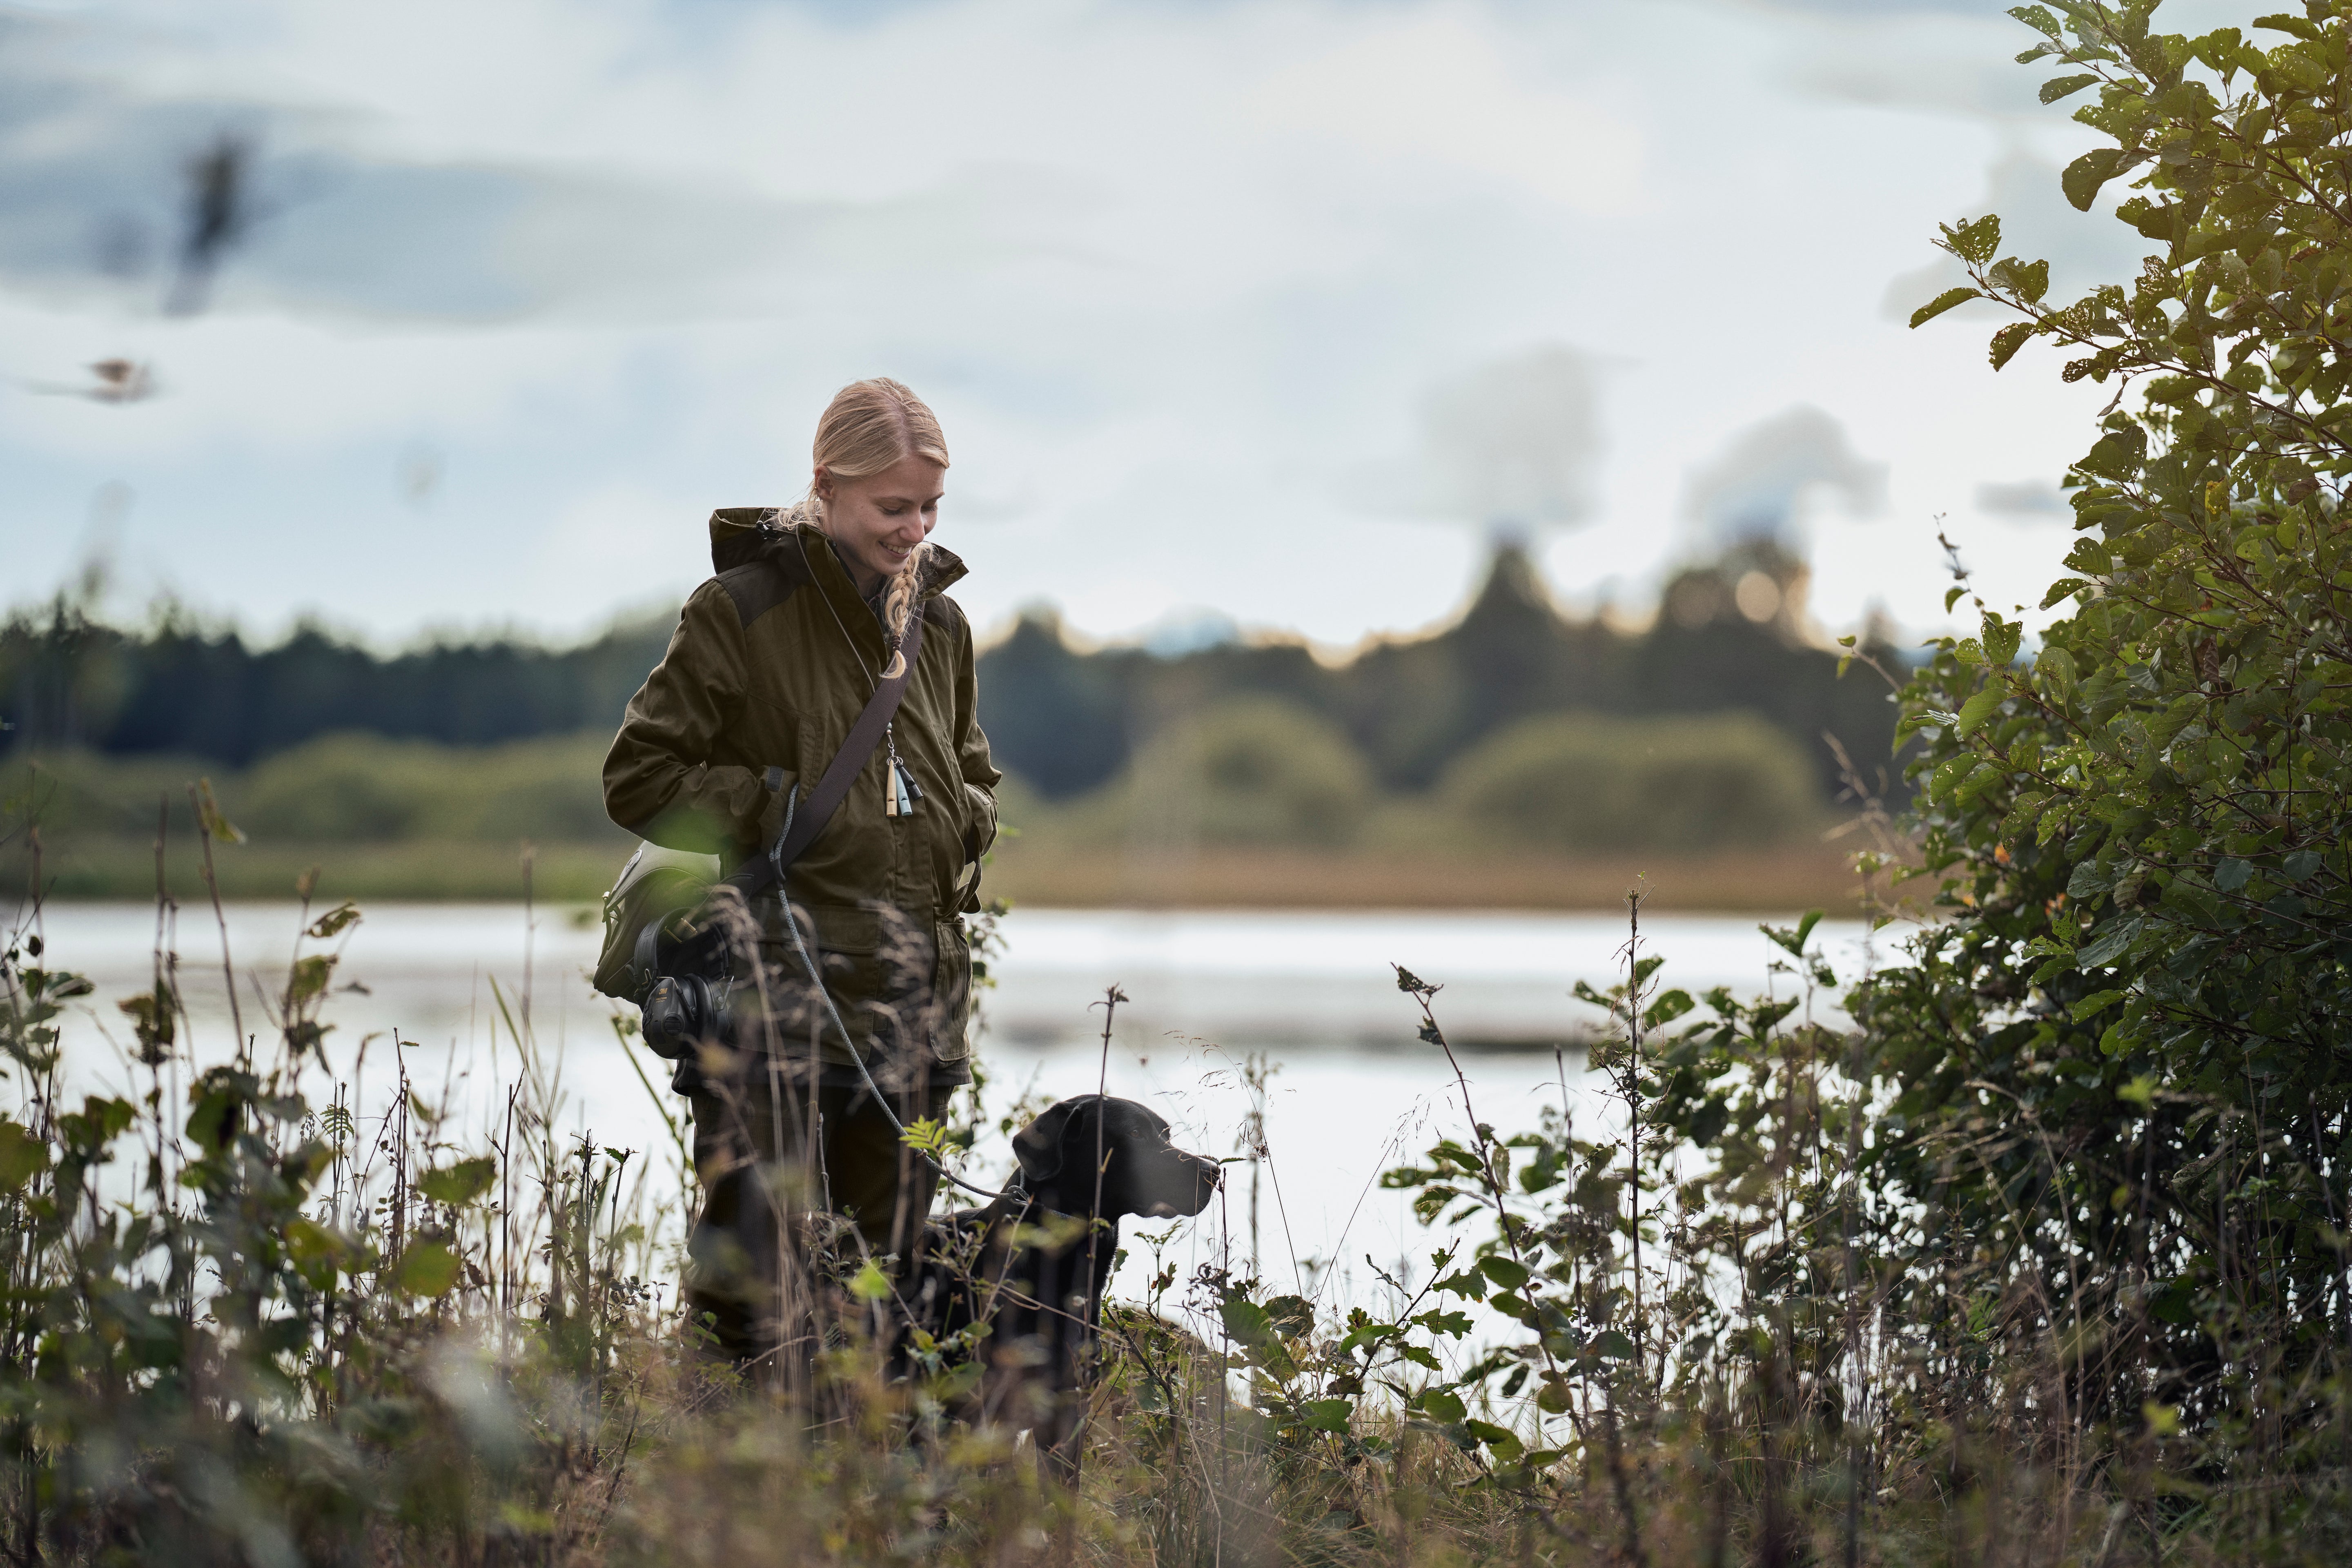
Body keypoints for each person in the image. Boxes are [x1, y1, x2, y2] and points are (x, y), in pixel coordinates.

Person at [602, 378, 1000, 1372]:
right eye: (893, 506)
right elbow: (640, 776)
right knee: (750, 1283)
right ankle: (722, 1451)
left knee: (888, 1284)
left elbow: (975, 776)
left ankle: (864, 1460)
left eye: (930, 507)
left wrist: (963, 823)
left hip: (912, 1004)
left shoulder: (944, 628)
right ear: (826, 485)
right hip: (770, 1000)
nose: (916, 530)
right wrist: (776, 805)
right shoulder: (740, 610)